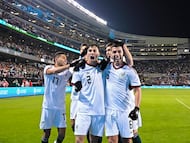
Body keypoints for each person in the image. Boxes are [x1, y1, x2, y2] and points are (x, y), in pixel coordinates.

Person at [104, 43, 142, 143]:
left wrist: (136, 108)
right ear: (110, 54)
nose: (117, 54)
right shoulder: (106, 67)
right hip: (109, 111)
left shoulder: (129, 71)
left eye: (119, 51)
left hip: (125, 111)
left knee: (127, 140)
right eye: (114, 52)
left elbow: (137, 90)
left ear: (123, 54)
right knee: (112, 140)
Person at [39, 51, 78, 143]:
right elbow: (54, 71)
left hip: (60, 108)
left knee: (62, 134)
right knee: (47, 133)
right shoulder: (48, 68)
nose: (65, 60)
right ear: (56, 59)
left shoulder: (67, 72)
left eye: (66, 59)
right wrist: (69, 65)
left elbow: (76, 69)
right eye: (63, 58)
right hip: (48, 107)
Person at [71, 44, 105, 143]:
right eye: (90, 50)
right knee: (79, 140)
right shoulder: (79, 69)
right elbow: (74, 94)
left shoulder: (103, 68)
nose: (92, 52)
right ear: (87, 54)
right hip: (84, 110)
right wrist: (73, 114)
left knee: (94, 140)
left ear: (98, 54)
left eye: (95, 50)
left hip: (99, 111)